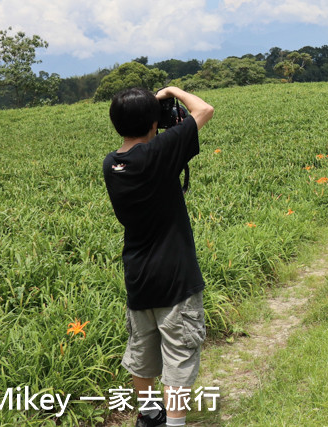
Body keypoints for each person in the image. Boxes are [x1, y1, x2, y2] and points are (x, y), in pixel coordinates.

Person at [103, 86, 214, 427]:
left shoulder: (112, 164)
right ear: (153, 123)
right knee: (179, 355)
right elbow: (204, 109)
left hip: (138, 275)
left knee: (142, 352)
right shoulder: (159, 153)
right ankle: (175, 424)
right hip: (175, 276)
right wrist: (170, 91)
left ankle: (150, 416)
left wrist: (151, 109)